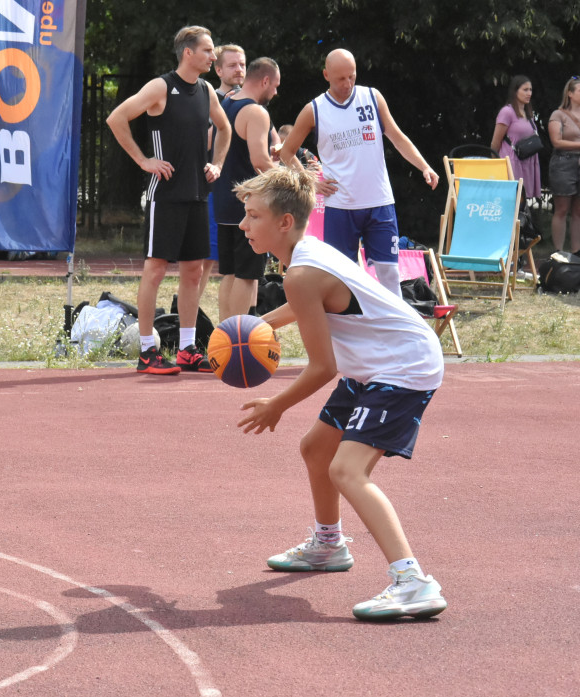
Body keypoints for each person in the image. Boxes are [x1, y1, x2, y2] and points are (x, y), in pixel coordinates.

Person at [235, 166, 447, 621]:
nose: (244, 225)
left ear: (284, 223)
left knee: (347, 470)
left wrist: (276, 405)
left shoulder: (302, 270)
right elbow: (309, 302)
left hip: (403, 365)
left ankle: (413, 581)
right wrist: (259, 324)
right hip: (377, 362)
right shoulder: (307, 257)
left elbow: (322, 367)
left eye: (253, 216)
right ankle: (329, 546)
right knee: (316, 449)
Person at [106, 25, 231, 375]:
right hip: (166, 195)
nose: (213, 56)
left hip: (197, 193)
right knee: (156, 268)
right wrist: (144, 161)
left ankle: (188, 349)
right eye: (207, 50)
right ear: (188, 53)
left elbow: (225, 128)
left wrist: (217, 164)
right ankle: (147, 351)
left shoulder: (207, 90)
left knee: (193, 271)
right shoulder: (161, 87)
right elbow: (116, 118)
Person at [279, 49, 439, 297]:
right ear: (326, 75)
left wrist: (425, 166)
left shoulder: (372, 98)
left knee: (390, 275)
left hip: (379, 202)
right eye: (341, 78)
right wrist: (310, 180)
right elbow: (287, 152)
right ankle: (354, 330)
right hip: (340, 206)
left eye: (352, 76)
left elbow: (397, 137)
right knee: (343, 276)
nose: (347, 84)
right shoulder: (315, 110)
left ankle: (393, 331)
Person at [212, 57, 281, 321]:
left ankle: (227, 335)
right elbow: (260, 161)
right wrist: (291, 181)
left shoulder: (227, 101)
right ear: (264, 81)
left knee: (231, 274)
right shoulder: (256, 112)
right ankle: (237, 338)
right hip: (247, 206)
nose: (275, 92)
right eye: (274, 86)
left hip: (224, 201)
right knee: (247, 275)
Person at [199, 44, 247, 302]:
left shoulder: (249, 101)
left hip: (241, 194)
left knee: (242, 267)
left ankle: (242, 325)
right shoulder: (208, 98)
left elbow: (271, 141)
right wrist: (224, 120)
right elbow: (203, 143)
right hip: (211, 192)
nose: (239, 69)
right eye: (232, 65)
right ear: (218, 69)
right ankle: (188, 322)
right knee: (204, 262)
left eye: (242, 64)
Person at [491, 75, 542, 201]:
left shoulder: (528, 113)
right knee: (510, 202)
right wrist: (496, 165)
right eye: (525, 90)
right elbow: (495, 142)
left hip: (527, 161)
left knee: (522, 204)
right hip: (512, 162)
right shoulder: (507, 112)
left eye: (530, 90)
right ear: (515, 91)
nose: (529, 93)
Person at [547, 77, 580, 253]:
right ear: (570, 94)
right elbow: (557, 142)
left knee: (578, 212)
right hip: (563, 163)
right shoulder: (558, 115)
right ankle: (558, 253)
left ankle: (577, 254)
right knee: (562, 208)